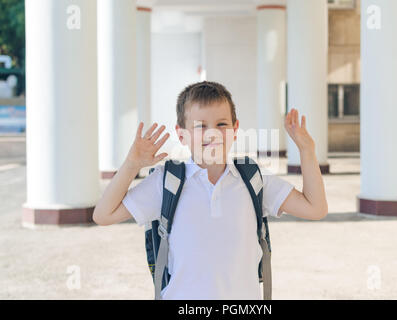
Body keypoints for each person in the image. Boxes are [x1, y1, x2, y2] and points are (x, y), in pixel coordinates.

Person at [93, 81, 328, 299]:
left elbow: (315, 208)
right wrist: (131, 165)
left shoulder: (253, 178)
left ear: (235, 129)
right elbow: (103, 215)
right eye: (200, 126)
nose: (212, 133)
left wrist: (307, 150)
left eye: (221, 124)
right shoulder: (167, 181)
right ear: (181, 134)